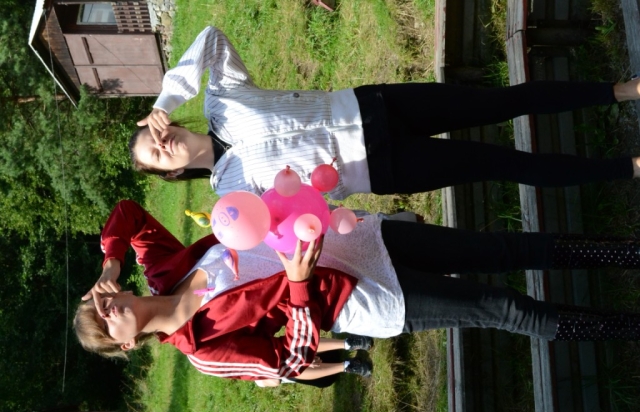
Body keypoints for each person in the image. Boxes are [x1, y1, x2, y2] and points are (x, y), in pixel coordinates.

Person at [75, 200, 640, 383]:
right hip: (362, 298)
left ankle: (626, 253)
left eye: (99, 304)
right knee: (502, 308)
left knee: (501, 249)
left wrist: (110, 263)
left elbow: (127, 213)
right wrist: (299, 288)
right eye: (107, 323)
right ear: (125, 344)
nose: (110, 308)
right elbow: (290, 362)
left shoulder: (163, 268)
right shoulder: (203, 351)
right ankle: (628, 326)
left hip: (360, 238)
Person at [130, 26, 640, 200]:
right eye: (156, 156)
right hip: (379, 168)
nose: (162, 143)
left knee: (502, 101)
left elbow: (211, 38)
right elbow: (295, 224)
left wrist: (165, 99)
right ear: (169, 172)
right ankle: (628, 168)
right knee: (503, 164)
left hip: (375, 105)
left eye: (154, 135)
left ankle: (621, 91)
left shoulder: (220, 101)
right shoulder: (233, 196)